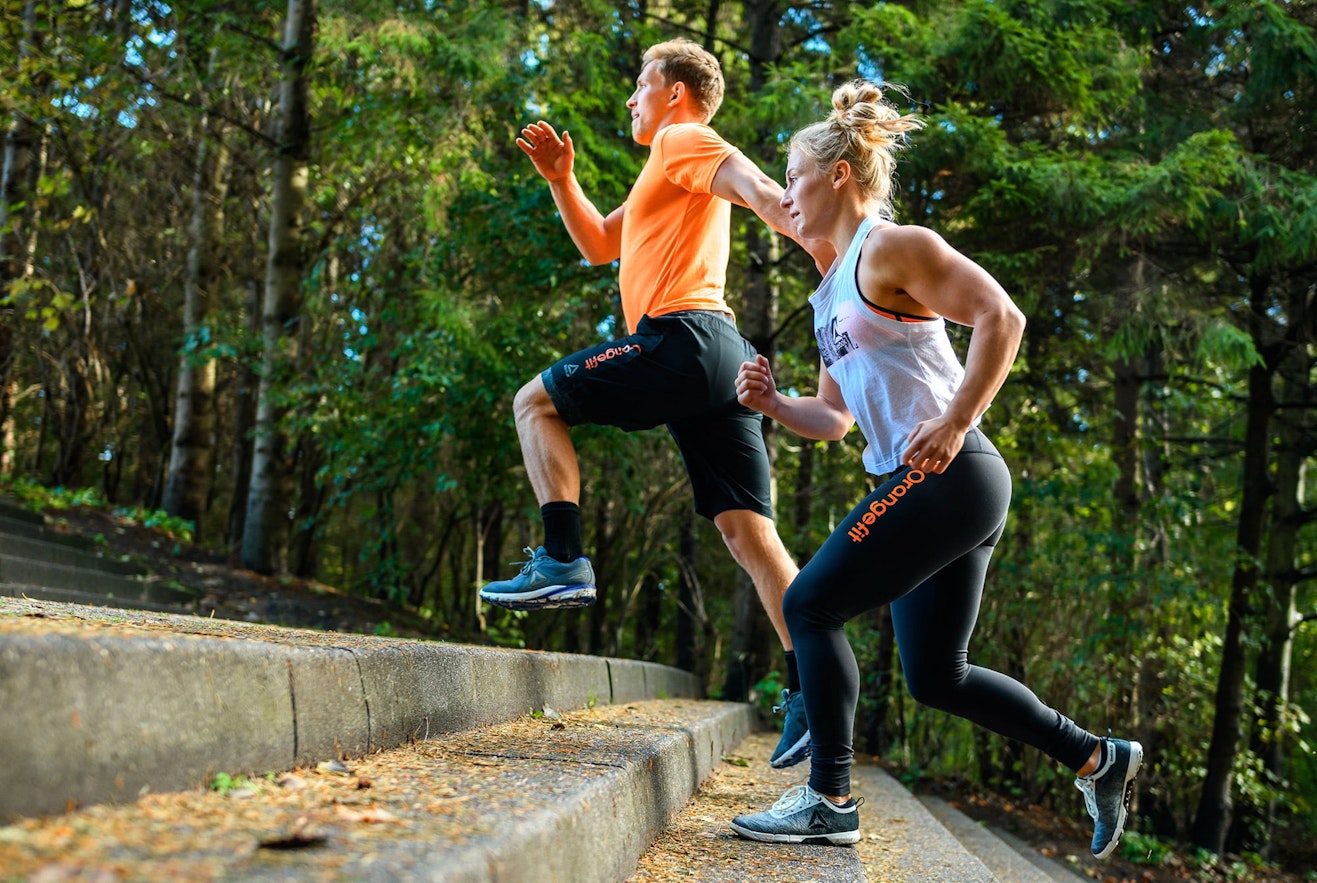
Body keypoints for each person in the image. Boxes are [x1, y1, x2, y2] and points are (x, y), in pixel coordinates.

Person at [727, 80, 1144, 859]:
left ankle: (828, 798)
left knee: (810, 604)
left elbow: (1002, 317)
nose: (784, 192)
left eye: (792, 175)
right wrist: (776, 404)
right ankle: (1097, 756)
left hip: (951, 471)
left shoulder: (890, 246)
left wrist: (955, 420)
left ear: (838, 175)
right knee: (935, 676)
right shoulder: (826, 297)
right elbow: (836, 419)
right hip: (919, 483)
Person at [479, 38, 828, 768]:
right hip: (723, 357)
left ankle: (562, 557)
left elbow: (753, 184)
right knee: (749, 535)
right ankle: (812, 691)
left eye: (641, 84)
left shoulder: (681, 135)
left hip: (685, 337)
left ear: (674, 91)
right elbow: (600, 245)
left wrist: (813, 232)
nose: (631, 99)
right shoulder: (656, 175)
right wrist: (559, 179)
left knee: (533, 403)